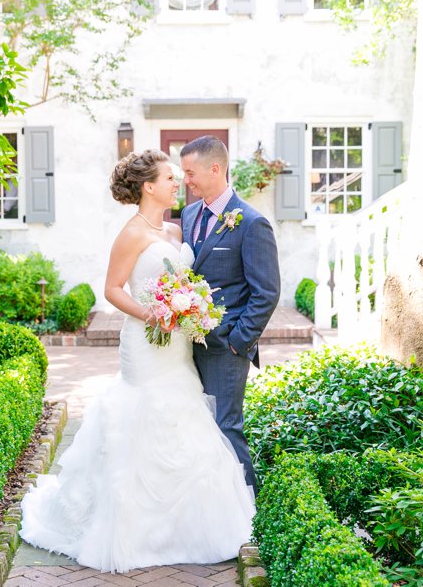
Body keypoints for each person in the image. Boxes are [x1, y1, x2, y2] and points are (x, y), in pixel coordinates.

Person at [19, 149, 255, 574]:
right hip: (146, 345)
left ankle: (191, 527)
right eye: (169, 178)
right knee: (144, 417)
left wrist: (190, 307)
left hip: (178, 346)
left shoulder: (175, 228)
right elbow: (112, 289)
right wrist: (153, 314)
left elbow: (186, 281)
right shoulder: (130, 233)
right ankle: (134, 529)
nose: (176, 184)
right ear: (149, 187)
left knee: (185, 418)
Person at [180, 136, 281, 496]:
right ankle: (212, 507)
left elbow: (266, 292)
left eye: (190, 173)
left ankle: (250, 513)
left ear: (215, 168)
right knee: (197, 428)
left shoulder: (252, 223)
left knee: (225, 426)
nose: (185, 180)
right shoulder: (189, 215)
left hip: (226, 348)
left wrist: (239, 341)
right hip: (186, 345)